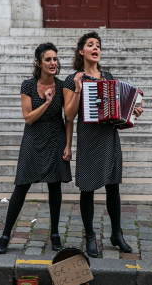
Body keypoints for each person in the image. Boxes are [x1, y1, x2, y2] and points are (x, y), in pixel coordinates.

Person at [63, 31, 144, 258]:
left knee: (113, 188)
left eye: (98, 45)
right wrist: (79, 89)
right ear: (82, 51)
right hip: (88, 139)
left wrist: (132, 114)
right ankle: (90, 236)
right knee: (87, 188)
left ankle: (116, 234)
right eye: (90, 44)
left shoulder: (108, 77)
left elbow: (117, 117)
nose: (95, 48)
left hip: (109, 138)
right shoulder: (73, 79)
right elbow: (69, 115)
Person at [0, 43, 73, 254]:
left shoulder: (63, 85)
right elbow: (29, 118)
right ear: (38, 63)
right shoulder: (28, 86)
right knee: (21, 186)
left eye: (55, 59)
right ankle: (5, 234)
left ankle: (55, 233)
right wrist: (47, 103)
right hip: (33, 137)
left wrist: (68, 144)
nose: (53, 63)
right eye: (48, 60)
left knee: (55, 187)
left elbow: (68, 118)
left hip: (56, 137)